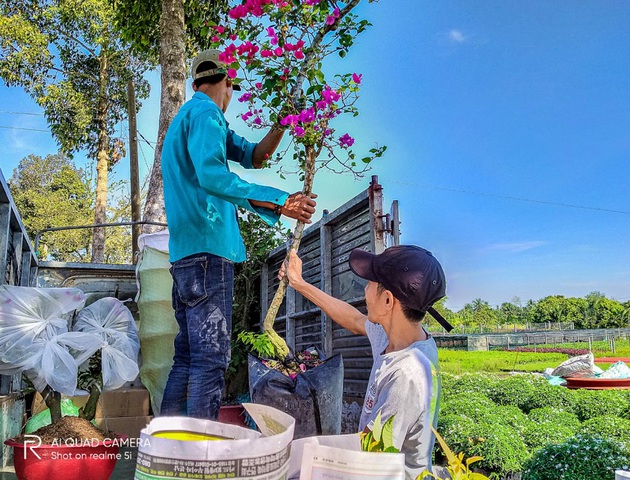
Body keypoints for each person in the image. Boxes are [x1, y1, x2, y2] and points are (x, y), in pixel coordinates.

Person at [160, 49, 317, 420]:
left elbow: (255, 155)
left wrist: (282, 123)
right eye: (233, 88)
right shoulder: (206, 114)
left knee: (188, 358)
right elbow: (213, 176)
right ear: (227, 83)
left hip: (185, 257)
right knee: (211, 360)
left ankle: (167, 455)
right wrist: (281, 202)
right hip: (208, 253)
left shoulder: (191, 117)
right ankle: (199, 458)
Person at [281, 245, 446, 479]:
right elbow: (354, 319)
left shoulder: (407, 374)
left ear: (388, 300)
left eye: (370, 283)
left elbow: (371, 456)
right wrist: (299, 283)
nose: (365, 290)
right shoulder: (398, 334)